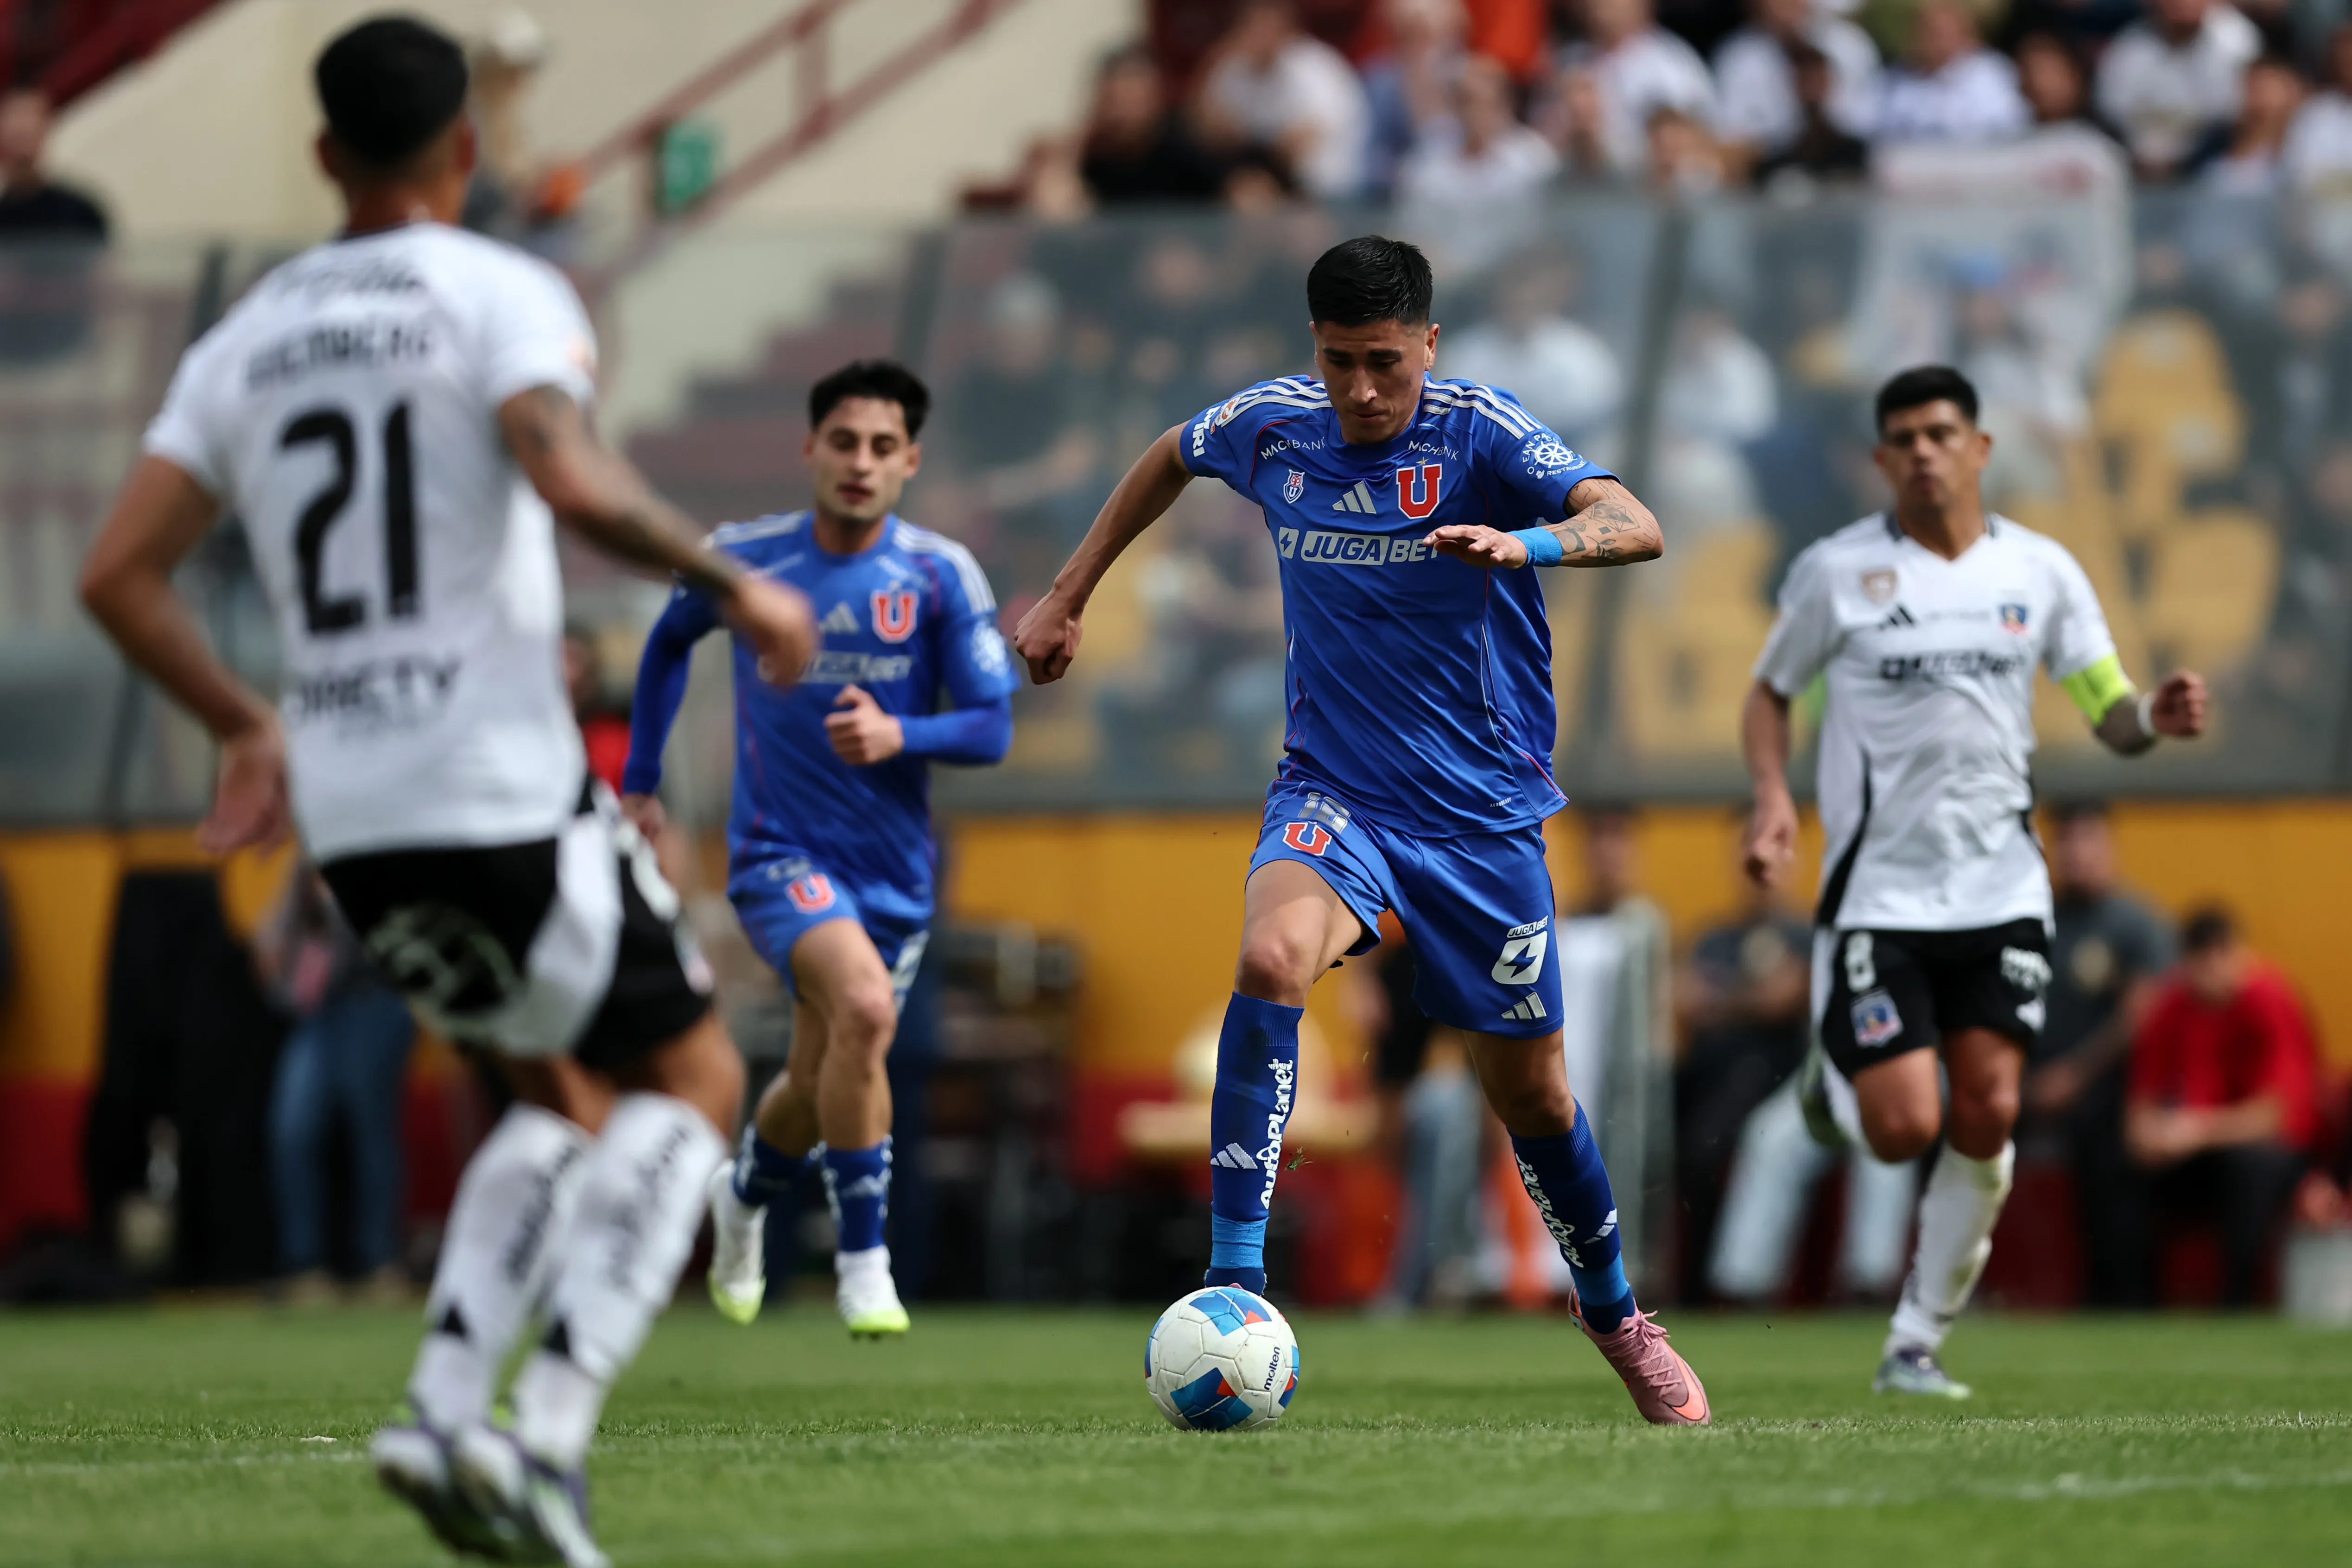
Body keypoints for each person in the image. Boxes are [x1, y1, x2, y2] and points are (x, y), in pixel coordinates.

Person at [76, 19, 818, 1566]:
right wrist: (733, 585)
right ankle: (541, 1439)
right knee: (686, 1084)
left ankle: (433, 1406)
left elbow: (117, 573)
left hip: (352, 812)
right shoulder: (498, 291)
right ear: (468, 149)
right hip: (495, 780)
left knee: (551, 1095)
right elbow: (566, 474)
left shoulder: (246, 336)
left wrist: (244, 722)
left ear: (324, 156)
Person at [1014, 236, 1712, 1426]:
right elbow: (1167, 457)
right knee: (1271, 957)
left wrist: (1526, 542)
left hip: (1483, 817)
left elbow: (1635, 522)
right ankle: (1236, 1288)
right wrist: (1069, 592)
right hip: (1333, 790)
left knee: (1533, 1096)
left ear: (1428, 347)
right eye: (1340, 362)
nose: (1362, 390)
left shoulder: (1485, 433)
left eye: (1385, 363)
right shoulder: (1274, 427)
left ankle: (1616, 1317)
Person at [1742, 365, 2209, 1398]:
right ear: (1878, 459)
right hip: (1877, 894)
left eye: (1939, 432)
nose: (1921, 451)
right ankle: (1830, 1083)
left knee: (1987, 1110)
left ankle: (1914, 1339)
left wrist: (2151, 721)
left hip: (1999, 887)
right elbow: (1768, 693)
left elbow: (2105, 709)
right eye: (1901, 437)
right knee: (1900, 1124)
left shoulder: (2038, 574)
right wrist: (1772, 798)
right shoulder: (1835, 572)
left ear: (1979, 449)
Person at [621, 359, 1014, 1337]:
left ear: (910, 462)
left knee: (820, 1069)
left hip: (893, 874)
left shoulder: (936, 573)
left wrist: (900, 734)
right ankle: (861, 1262)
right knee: (870, 1011)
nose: (859, 462)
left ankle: (743, 1197)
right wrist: (639, 783)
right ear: (809, 449)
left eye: (882, 447)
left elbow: (990, 727)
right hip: (775, 854)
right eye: (843, 442)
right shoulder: (743, 561)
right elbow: (669, 643)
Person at [2124, 907, 2322, 1306]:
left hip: (2277, 1154)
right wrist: (2146, 1138)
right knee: (2121, 1168)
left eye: (2220, 959)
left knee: (2248, 1167)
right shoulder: (2172, 1005)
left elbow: (2274, 1117)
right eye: (2200, 964)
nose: (2211, 975)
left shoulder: (2270, 999)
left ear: (2236, 955)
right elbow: (2139, 1102)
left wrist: (2196, 1132)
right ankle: (2129, 1301)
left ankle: (2237, 1300)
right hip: (2197, 1149)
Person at [2022, 802, 2174, 1307]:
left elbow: (2143, 1013)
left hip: (2102, 1087)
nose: (2076, 855)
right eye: (2065, 843)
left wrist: (2075, 1075)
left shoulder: (2135, 923)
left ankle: (2116, 1296)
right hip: (2023, 1082)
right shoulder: (2031, 917)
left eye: (2088, 841)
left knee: (2110, 1142)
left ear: (2108, 849)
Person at [258, 860, 418, 1302]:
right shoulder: (304, 863)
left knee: (372, 1136)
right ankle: (305, 1265)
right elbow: (269, 936)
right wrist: (280, 971)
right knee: (293, 1132)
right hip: (317, 1013)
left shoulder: (379, 850)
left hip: (375, 1001)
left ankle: (379, 1262)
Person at [1195, 0, 1373, 200]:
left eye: (1270, 24)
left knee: (1254, 194)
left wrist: (1249, 148)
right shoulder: (1232, 65)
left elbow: (1298, 145)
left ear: (1288, 28)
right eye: (1253, 24)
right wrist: (1215, 58)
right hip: (1265, 177)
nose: (1262, 34)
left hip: (1335, 192)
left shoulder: (1315, 67)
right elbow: (1206, 131)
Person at [1544, 0, 1718, 177]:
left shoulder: (1674, 65)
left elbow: (1700, 153)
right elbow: (1539, 150)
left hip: (1645, 197)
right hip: (1578, 191)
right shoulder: (1568, 60)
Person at [2094, 0, 2260, 180]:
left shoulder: (2237, 41)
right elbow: (2111, 116)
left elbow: (2236, 120)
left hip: (2214, 163)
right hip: (2136, 168)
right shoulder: (2129, 46)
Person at [1711, 0, 1881, 170]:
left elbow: (1867, 124)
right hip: (1769, 169)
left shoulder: (1850, 45)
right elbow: (1731, 137)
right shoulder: (1738, 55)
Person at [1076, 45, 1230, 206]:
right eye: (1117, 100)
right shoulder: (1095, 153)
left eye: (1135, 99)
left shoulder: (1184, 144)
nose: (1126, 111)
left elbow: (1234, 189)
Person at [1872, 0, 2029, 145]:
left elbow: (2008, 131)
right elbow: (1868, 128)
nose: (1934, 42)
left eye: (1942, 34)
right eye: (1927, 32)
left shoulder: (1990, 74)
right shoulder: (1895, 77)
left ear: (1965, 35)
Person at [0, 88, 107, 243]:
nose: (22, 130)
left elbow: (104, 264)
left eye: (28, 124)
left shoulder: (81, 214)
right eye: (15, 125)